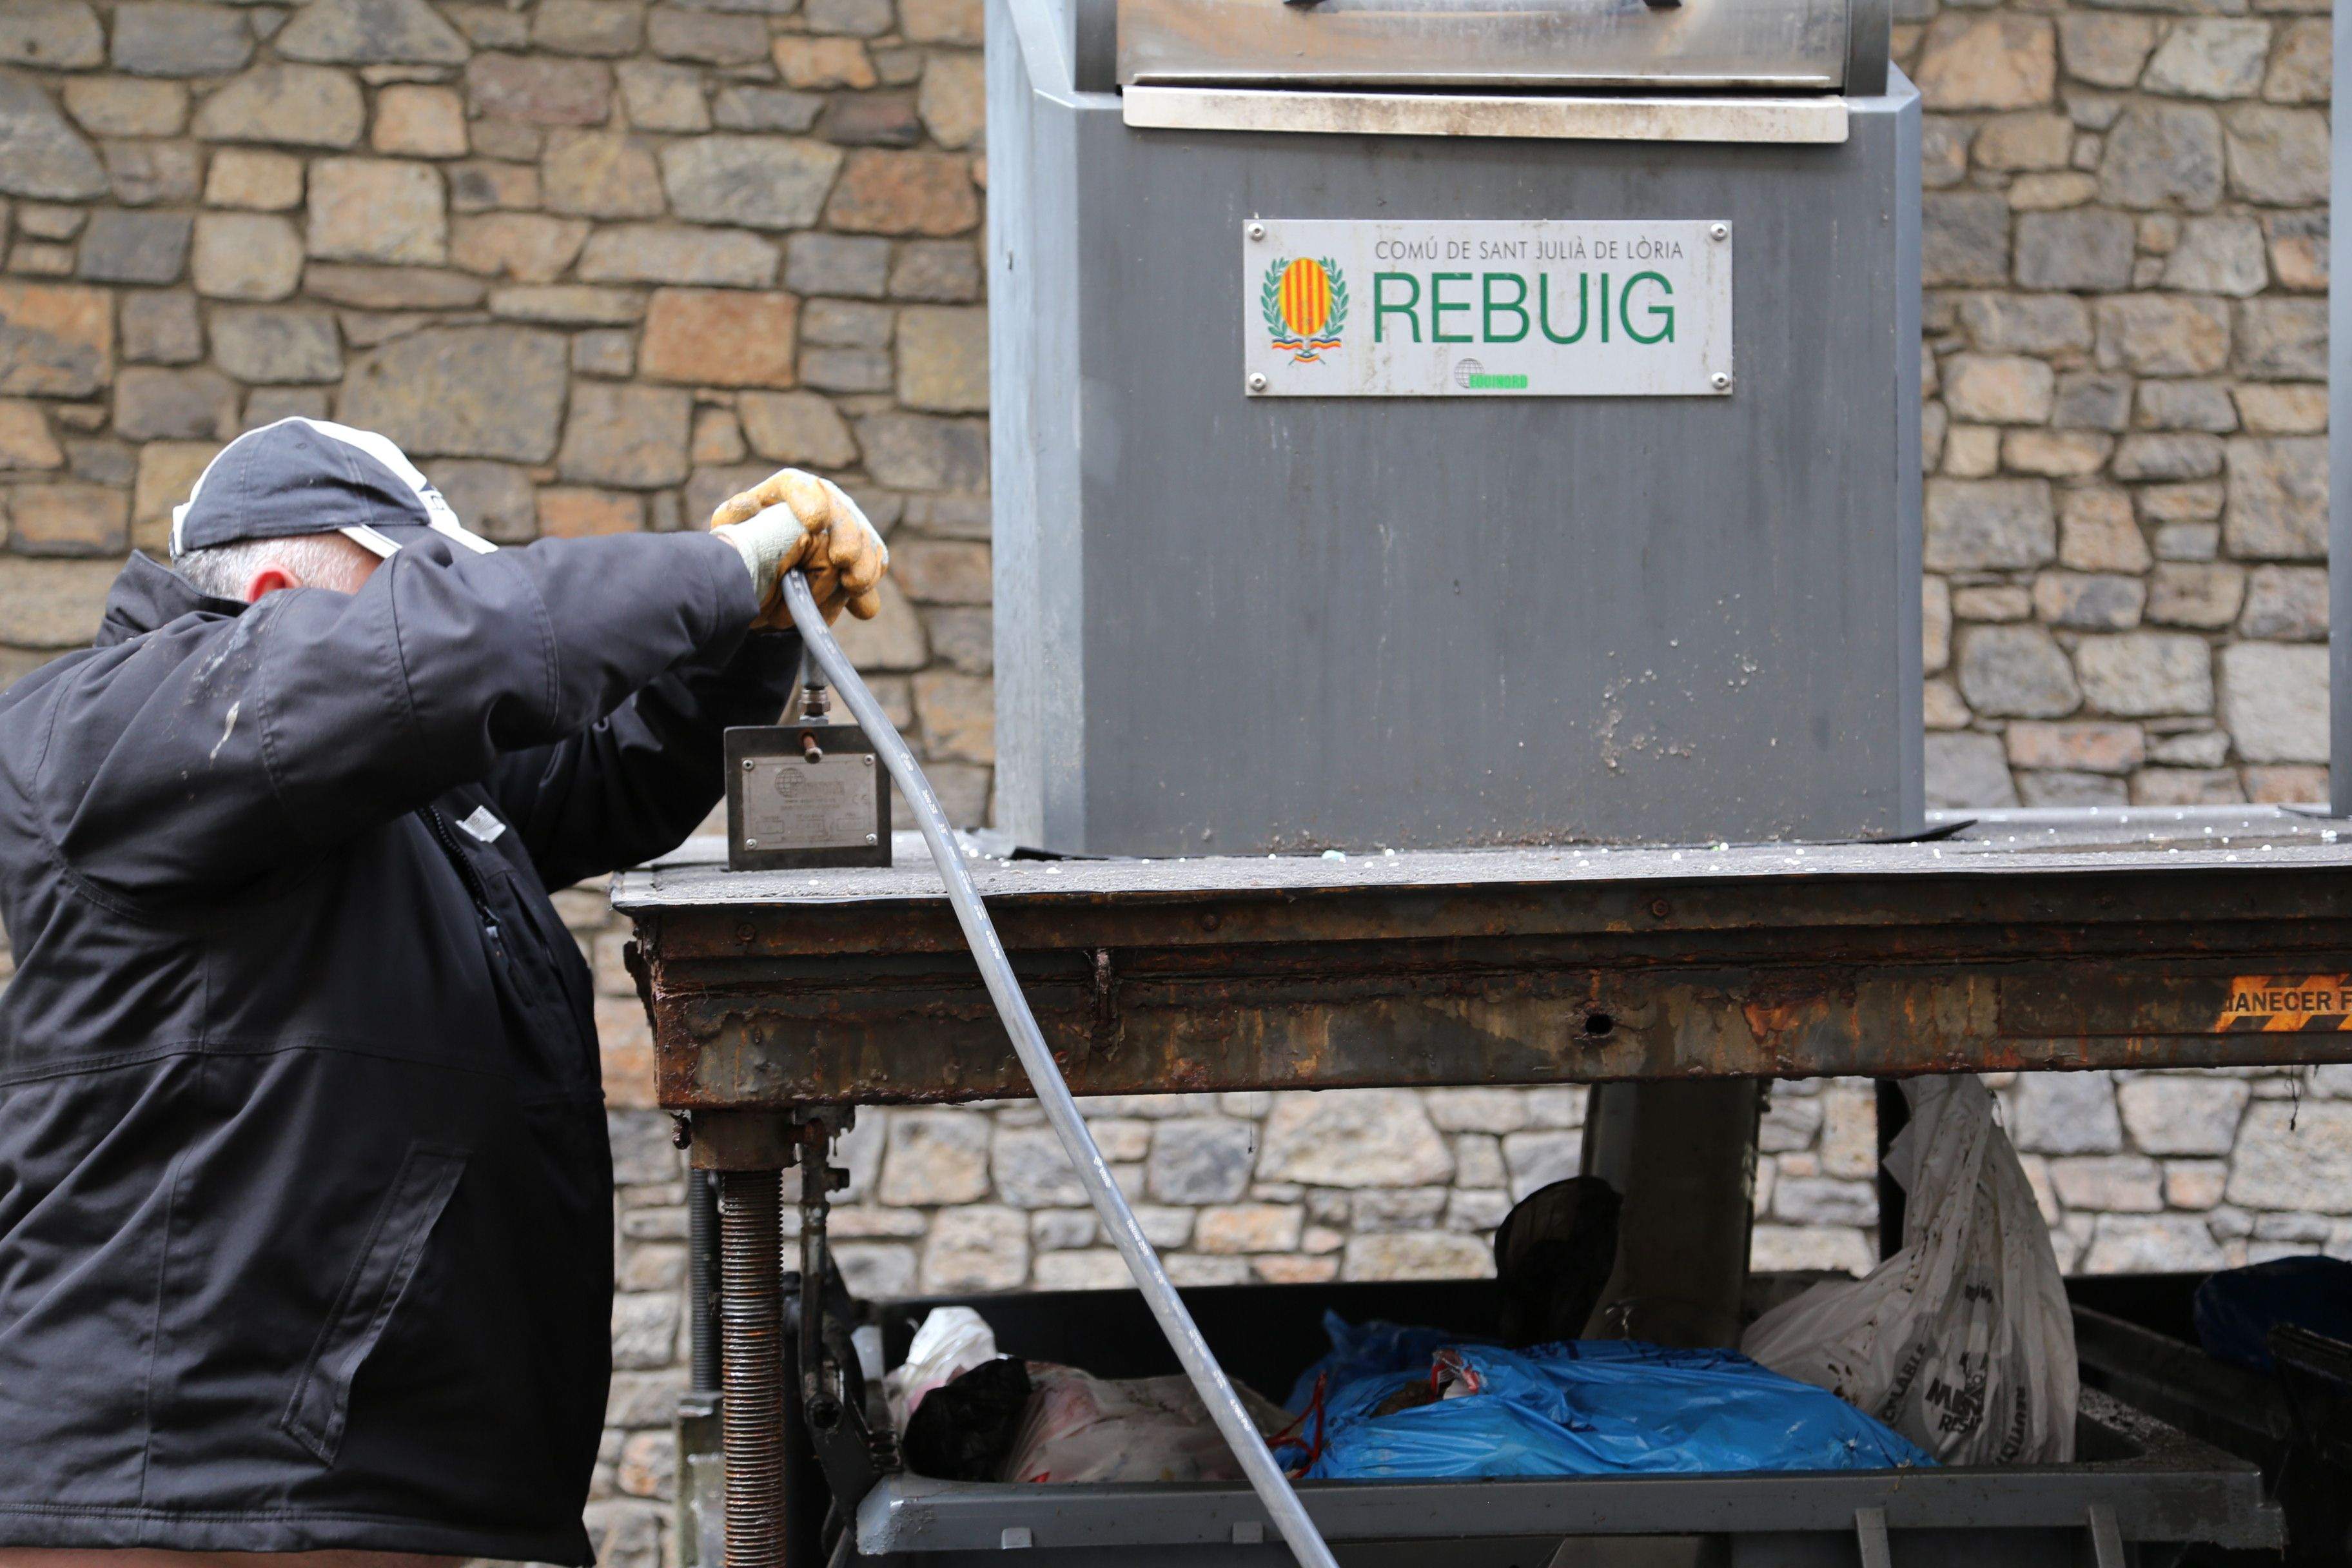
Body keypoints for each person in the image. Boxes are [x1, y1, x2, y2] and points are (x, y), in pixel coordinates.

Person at [0, 417, 888, 1566]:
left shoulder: (394, 789)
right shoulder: (130, 720)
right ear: (275, 600)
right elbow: (463, 649)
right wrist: (718, 566)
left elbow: (607, 769)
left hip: (312, 1488)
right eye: (411, 589)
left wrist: (746, 638)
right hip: (176, 1496)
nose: (437, 635)